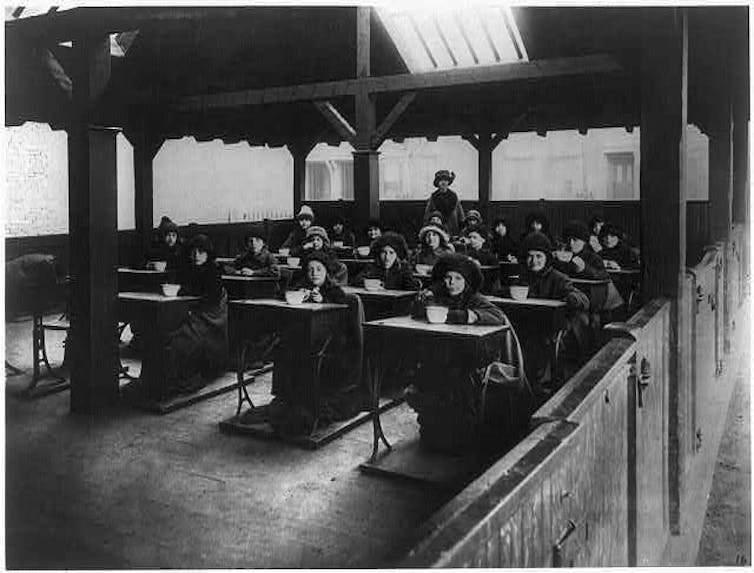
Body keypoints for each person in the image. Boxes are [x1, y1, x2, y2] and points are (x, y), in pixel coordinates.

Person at [408, 253, 510, 451]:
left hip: (467, 361)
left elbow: (497, 316)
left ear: (466, 281)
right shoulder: (436, 296)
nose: (451, 283)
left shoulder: (474, 299)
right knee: (430, 385)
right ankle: (435, 431)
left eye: (458, 278)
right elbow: (416, 313)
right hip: (438, 360)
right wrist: (422, 301)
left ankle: (459, 437)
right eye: (447, 278)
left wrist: (464, 316)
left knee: (458, 392)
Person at [268, 250, 364, 436]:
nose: (314, 273)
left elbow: (342, 317)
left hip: (330, 344)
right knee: (283, 349)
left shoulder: (334, 291)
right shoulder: (300, 286)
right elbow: (281, 296)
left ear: (327, 272)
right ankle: (287, 396)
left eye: (319, 269)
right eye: (310, 269)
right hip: (303, 340)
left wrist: (325, 300)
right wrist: (296, 294)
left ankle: (307, 403)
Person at [516, 231, 590, 393]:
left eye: (539, 256)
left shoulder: (559, 278)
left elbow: (583, 299)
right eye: (529, 256)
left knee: (541, 347)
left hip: (551, 331)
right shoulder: (522, 279)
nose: (533, 261)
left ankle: (540, 388)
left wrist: (572, 298)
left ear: (547, 258)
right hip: (527, 329)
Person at [161, 234, 228, 398]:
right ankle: (163, 381)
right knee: (163, 334)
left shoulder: (214, 272)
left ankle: (187, 378)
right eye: (194, 252)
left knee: (183, 340)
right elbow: (186, 289)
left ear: (208, 254)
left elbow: (211, 300)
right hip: (193, 313)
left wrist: (190, 306)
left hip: (211, 319)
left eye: (201, 251)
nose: (196, 255)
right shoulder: (189, 269)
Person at [355, 232, 421, 290]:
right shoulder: (373, 267)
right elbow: (358, 280)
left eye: (391, 253)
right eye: (383, 252)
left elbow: (412, 286)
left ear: (397, 255)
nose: (387, 257)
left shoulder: (403, 269)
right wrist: (372, 284)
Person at [423, 170, 465, 236]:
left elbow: (461, 215)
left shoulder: (454, 196)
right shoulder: (433, 197)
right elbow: (427, 216)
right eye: (440, 180)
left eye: (445, 180)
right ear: (437, 183)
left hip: (453, 230)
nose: (443, 183)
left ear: (448, 182)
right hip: (438, 232)